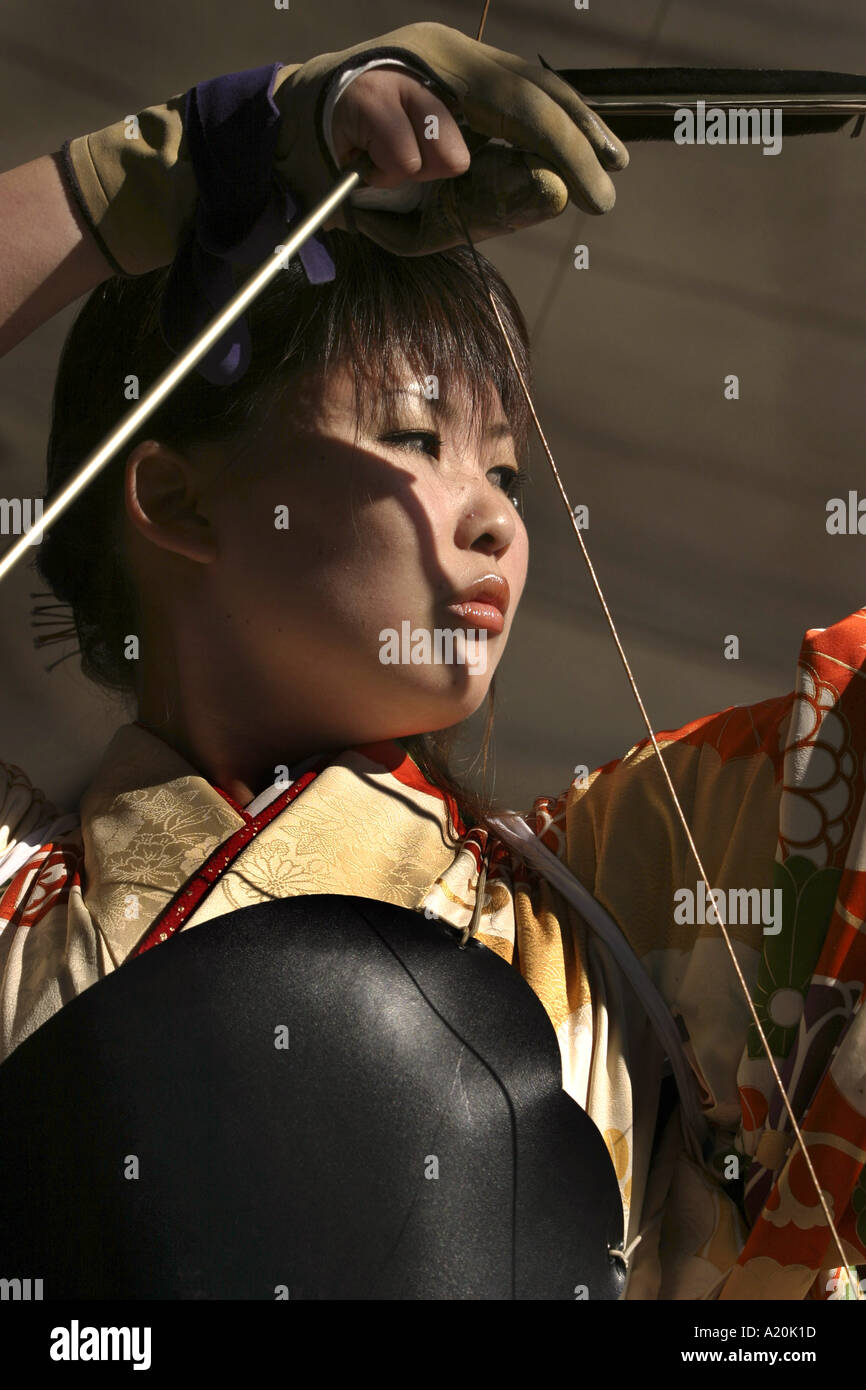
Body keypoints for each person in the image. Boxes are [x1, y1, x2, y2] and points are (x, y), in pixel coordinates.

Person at [0, 21, 864, 1302]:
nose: (494, 519)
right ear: (178, 503)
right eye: (414, 439)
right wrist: (187, 167)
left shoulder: (624, 888)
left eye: (506, 472)